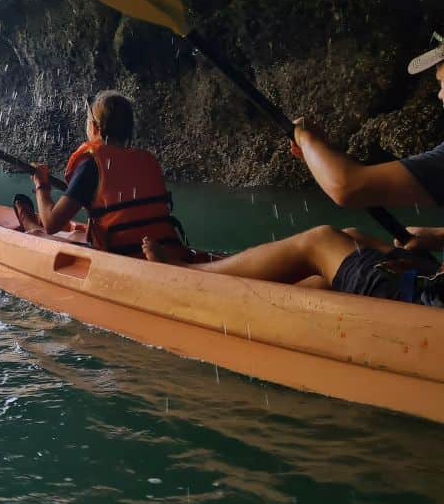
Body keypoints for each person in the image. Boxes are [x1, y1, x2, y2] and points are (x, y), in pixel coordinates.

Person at [143, 39, 444, 307]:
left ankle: (188, 276)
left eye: (443, 82)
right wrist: (437, 237)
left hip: (433, 302)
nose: (440, 95)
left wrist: (306, 138)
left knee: (319, 241)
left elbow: (347, 186)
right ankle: (263, 310)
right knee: (350, 239)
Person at [18, 90, 187, 257]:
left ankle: (31, 226)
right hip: (171, 252)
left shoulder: (92, 166)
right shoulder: (147, 160)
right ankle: (31, 224)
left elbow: (51, 224)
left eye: (87, 120)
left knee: (47, 233)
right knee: (78, 235)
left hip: (127, 260)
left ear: (95, 127)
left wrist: (41, 184)